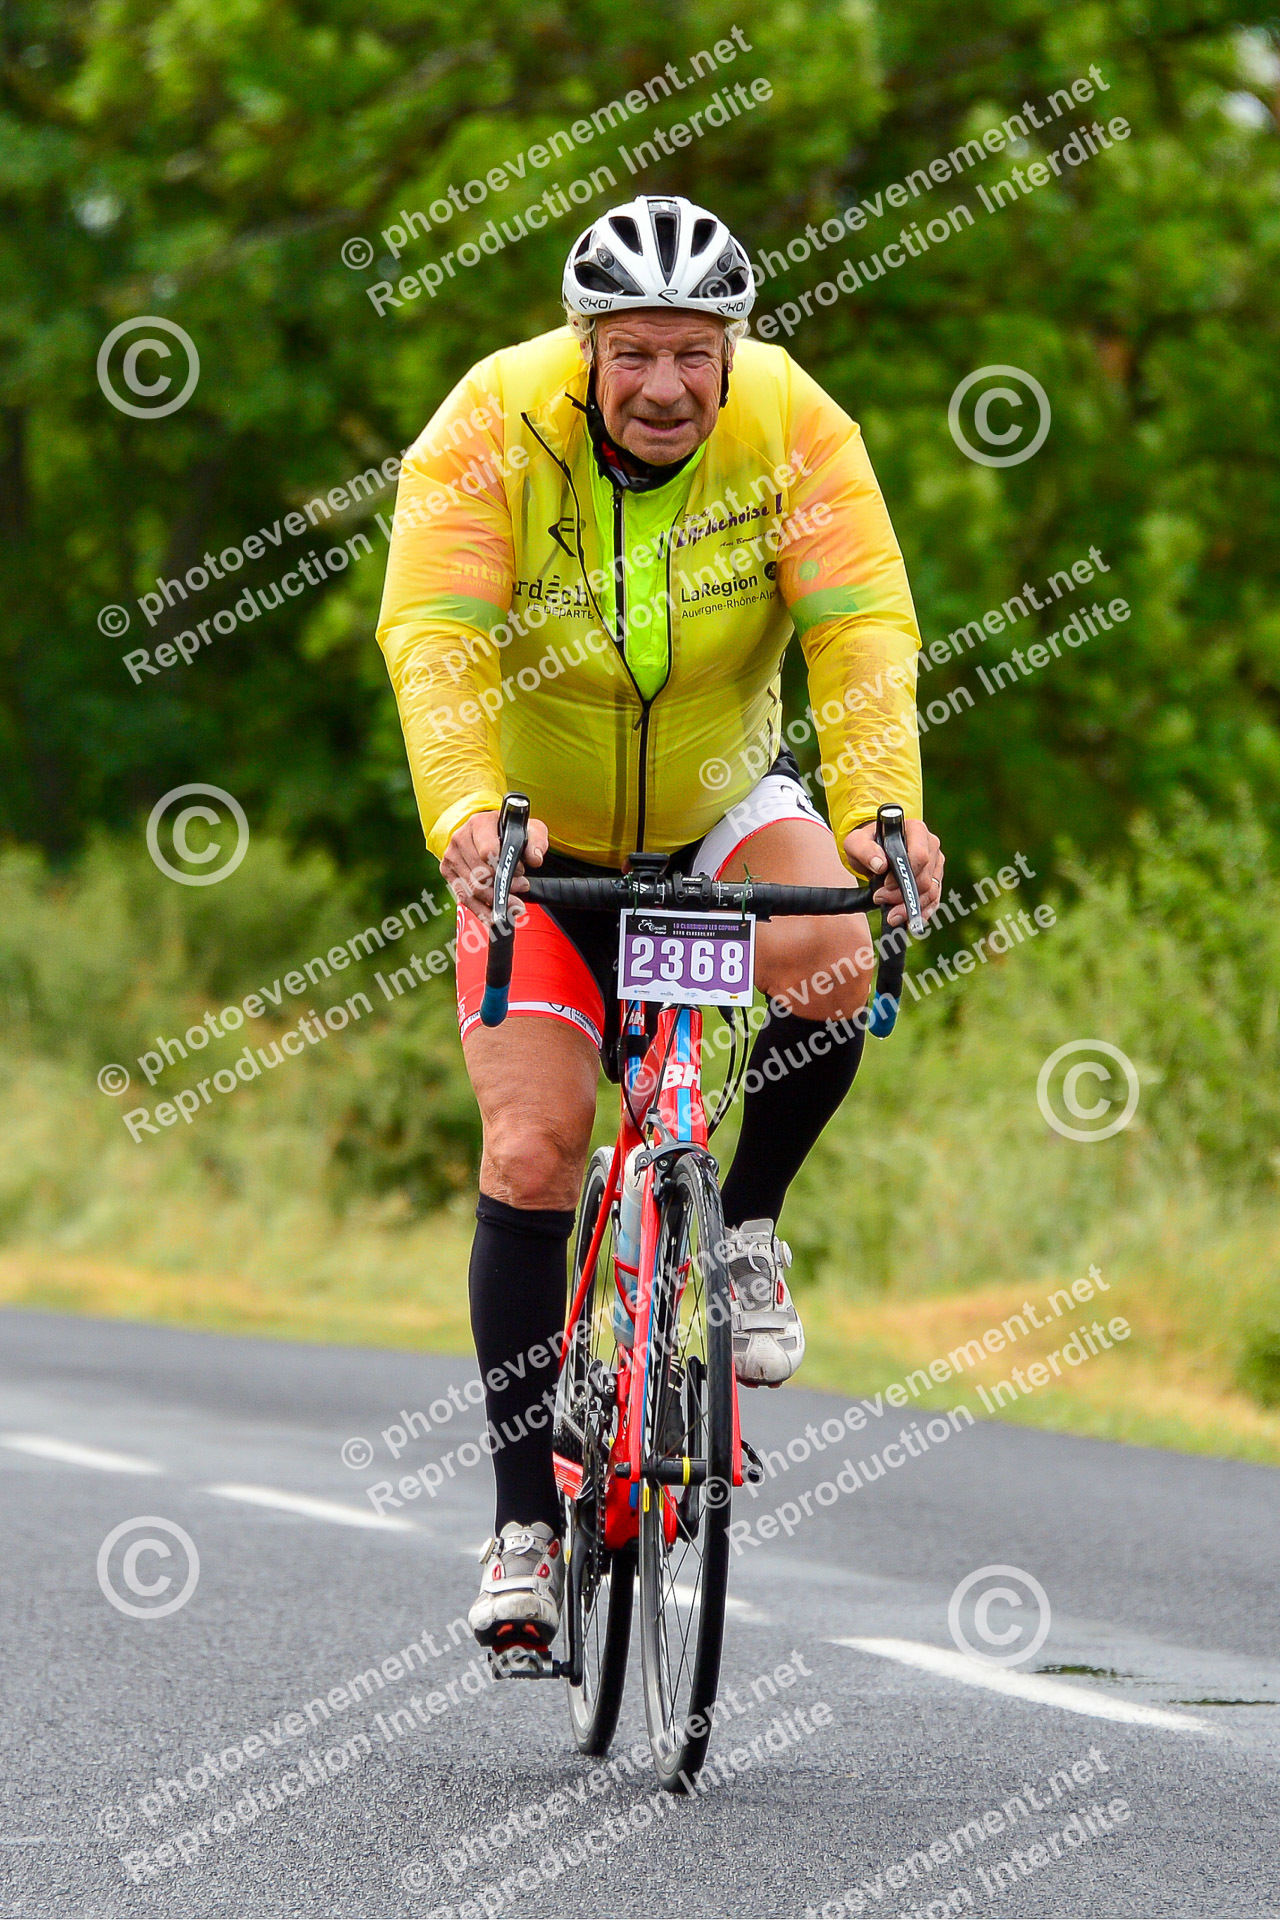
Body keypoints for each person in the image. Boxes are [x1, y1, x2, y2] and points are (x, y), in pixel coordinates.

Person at [376, 193, 942, 1652]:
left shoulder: (796, 426)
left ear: (733, 349)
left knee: (835, 952)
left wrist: (884, 812)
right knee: (535, 1147)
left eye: (697, 352)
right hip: (542, 842)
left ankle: (744, 1227)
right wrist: (468, 813)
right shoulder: (491, 422)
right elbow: (436, 635)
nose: (668, 386)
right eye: (635, 353)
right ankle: (520, 1526)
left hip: (716, 810)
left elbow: (860, 628)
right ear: (586, 347)